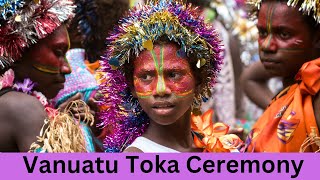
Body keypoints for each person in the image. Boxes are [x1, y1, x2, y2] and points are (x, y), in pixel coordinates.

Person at [97, 0, 243, 153]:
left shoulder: (218, 146)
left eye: (173, 74)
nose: (161, 90)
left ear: (199, 81)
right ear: (132, 87)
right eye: (146, 77)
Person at [0, 0, 93, 152]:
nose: (67, 68)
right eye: (58, 52)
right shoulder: (23, 107)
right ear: (19, 53)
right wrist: (81, 133)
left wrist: (63, 124)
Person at [243, 0, 320, 152]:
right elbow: (249, 78)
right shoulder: (292, 82)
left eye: (284, 34)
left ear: (318, 37)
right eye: (262, 33)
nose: (266, 46)